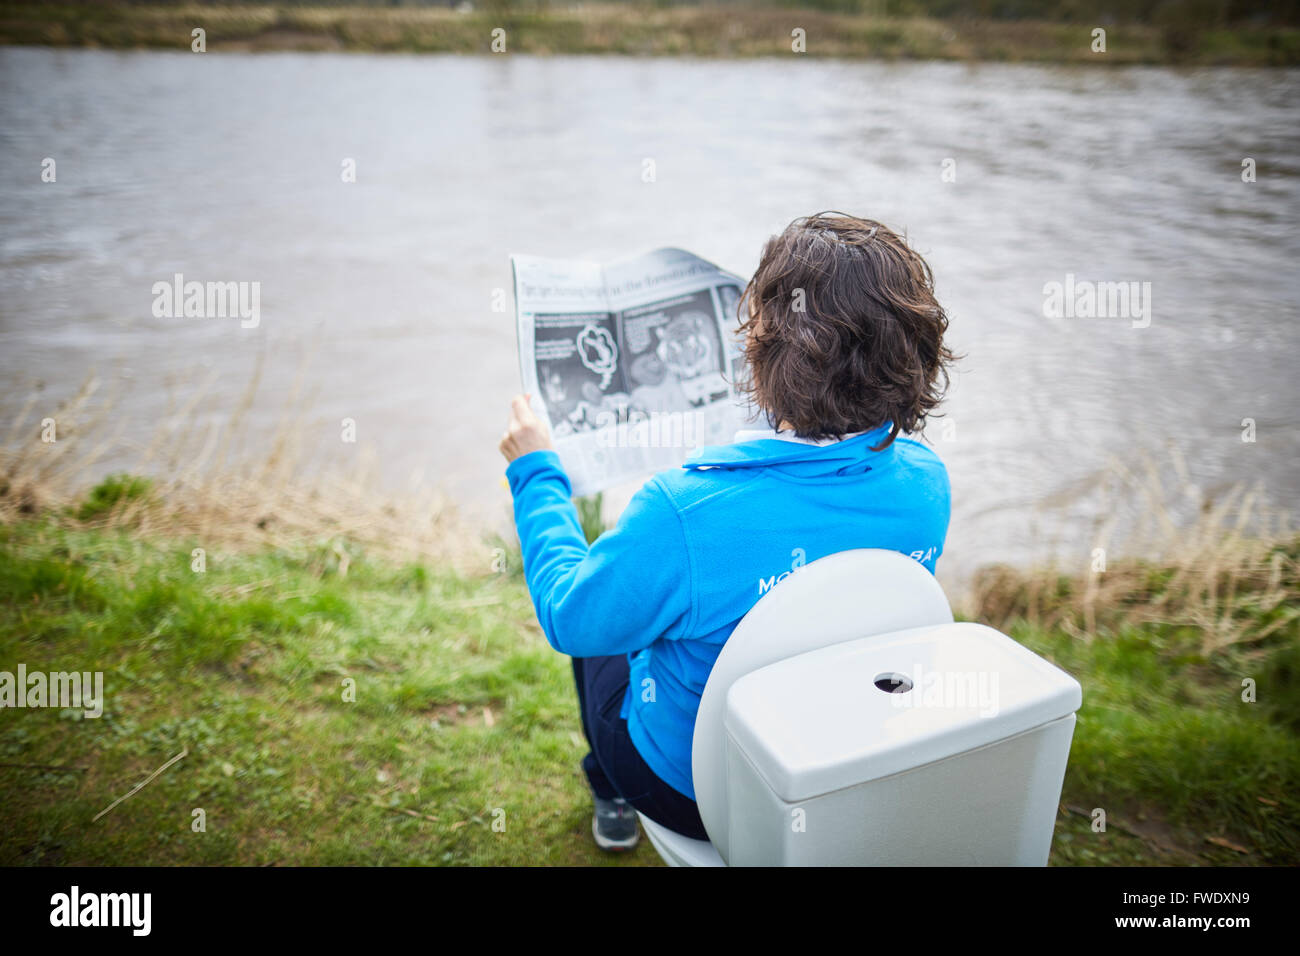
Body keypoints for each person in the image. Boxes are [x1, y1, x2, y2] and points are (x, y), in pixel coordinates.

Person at [498, 212, 956, 851]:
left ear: (760, 350)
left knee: (602, 607)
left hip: (696, 793)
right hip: (839, 763)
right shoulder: (928, 482)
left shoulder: (682, 511)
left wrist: (535, 475)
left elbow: (571, 621)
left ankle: (611, 789)